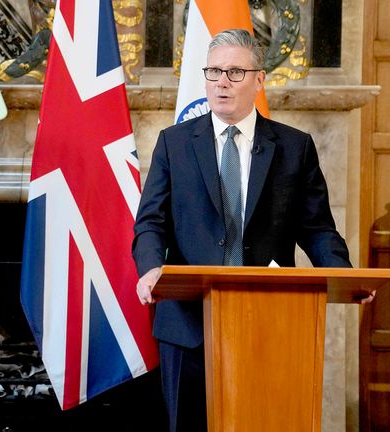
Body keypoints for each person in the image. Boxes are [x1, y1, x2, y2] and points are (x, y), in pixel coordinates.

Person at [131, 29, 368, 432]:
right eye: (214, 72)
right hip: (187, 323)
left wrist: (342, 274)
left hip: (270, 320)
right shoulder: (174, 143)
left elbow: (317, 229)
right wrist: (151, 268)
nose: (222, 81)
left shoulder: (295, 147)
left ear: (260, 80)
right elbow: (151, 220)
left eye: (235, 72)